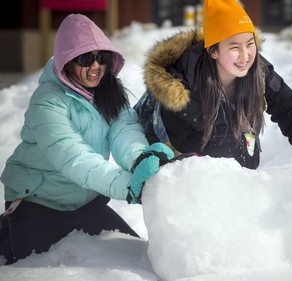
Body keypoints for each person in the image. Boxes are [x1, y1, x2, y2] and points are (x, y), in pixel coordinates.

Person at [0, 14, 174, 264]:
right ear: (66, 62)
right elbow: (72, 157)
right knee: (27, 267)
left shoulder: (109, 91)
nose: (96, 67)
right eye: (85, 59)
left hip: (87, 204)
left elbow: (124, 131)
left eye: (102, 58)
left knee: (136, 260)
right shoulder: (47, 102)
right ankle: (8, 231)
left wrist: (140, 161)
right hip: (38, 202)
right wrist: (128, 186)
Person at [134, 0, 292, 170]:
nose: (245, 56)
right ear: (212, 50)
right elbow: (159, 144)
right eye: (234, 47)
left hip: (241, 182)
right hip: (190, 188)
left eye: (250, 44)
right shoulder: (182, 85)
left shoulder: (258, 72)